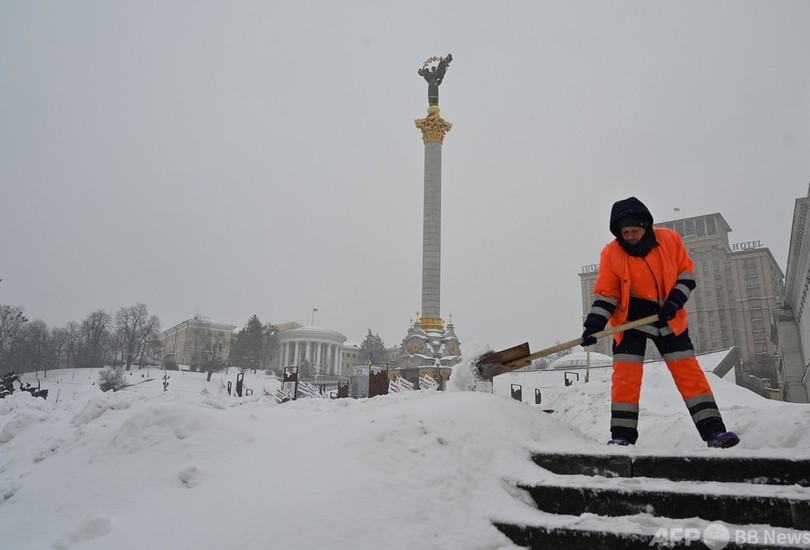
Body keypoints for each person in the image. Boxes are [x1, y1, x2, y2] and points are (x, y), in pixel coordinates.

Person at [581, 197, 739, 448]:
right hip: (629, 322)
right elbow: (607, 293)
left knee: (689, 374)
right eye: (625, 232)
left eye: (635, 230)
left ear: (646, 227)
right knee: (625, 379)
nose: (631, 236)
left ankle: (714, 432)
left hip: (668, 317)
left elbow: (686, 274)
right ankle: (622, 437)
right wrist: (593, 325)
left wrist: (674, 302)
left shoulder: (669, 240)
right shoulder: (611, 252)